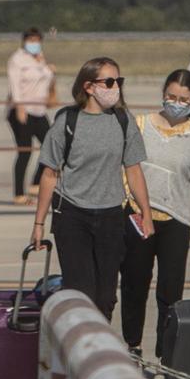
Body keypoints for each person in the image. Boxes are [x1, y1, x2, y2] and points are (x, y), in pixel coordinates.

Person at [31, 58, 152, 319]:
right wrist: (39, 224)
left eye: (118, 81)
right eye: (108, 82)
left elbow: (133, 169)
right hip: (72, 215)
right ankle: (80, 351)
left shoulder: (123, 120)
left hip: (110, 215)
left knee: (105, 296)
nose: (115, 87)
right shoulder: (67, 120)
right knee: (81, 292)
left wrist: (146, 213)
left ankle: (97, 346)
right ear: (88, 86)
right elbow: (50, 174)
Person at [119, 71, 190, 362]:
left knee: (170, 291)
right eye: (172, 96)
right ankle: (132, 345)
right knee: (134, 284)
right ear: (163, 93)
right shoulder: (139, 125)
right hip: (138, 217)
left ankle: (168, 352)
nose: (176, 103)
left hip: (176, 221)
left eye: (184, 99)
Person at [5, 27, 56, 207]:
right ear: (25, 40)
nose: (34, 44)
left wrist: (47, 67)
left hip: (39, 110)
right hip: (22, 109)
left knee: (51, 145)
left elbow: (47, 78)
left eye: (37, 40)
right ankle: (18, 194)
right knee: (25, 151)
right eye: (31, 40)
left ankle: (35, 183)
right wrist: (19, 106)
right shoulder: (17, 59)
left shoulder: (39, 57)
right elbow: (14, 84)